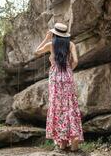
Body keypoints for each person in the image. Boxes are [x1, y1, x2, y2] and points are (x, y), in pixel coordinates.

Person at [34, 22, 84, 151]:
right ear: (66, 35)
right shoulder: (71, 44)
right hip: (67, 76)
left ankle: (62, 142)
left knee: (58, 107)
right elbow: (76, 61)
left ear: (54, 33)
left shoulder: (51, 44)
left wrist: (46, 38)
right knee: (70, 106)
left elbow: (36, 52)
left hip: (55, 78)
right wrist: (68, 70)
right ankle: (74, 140)